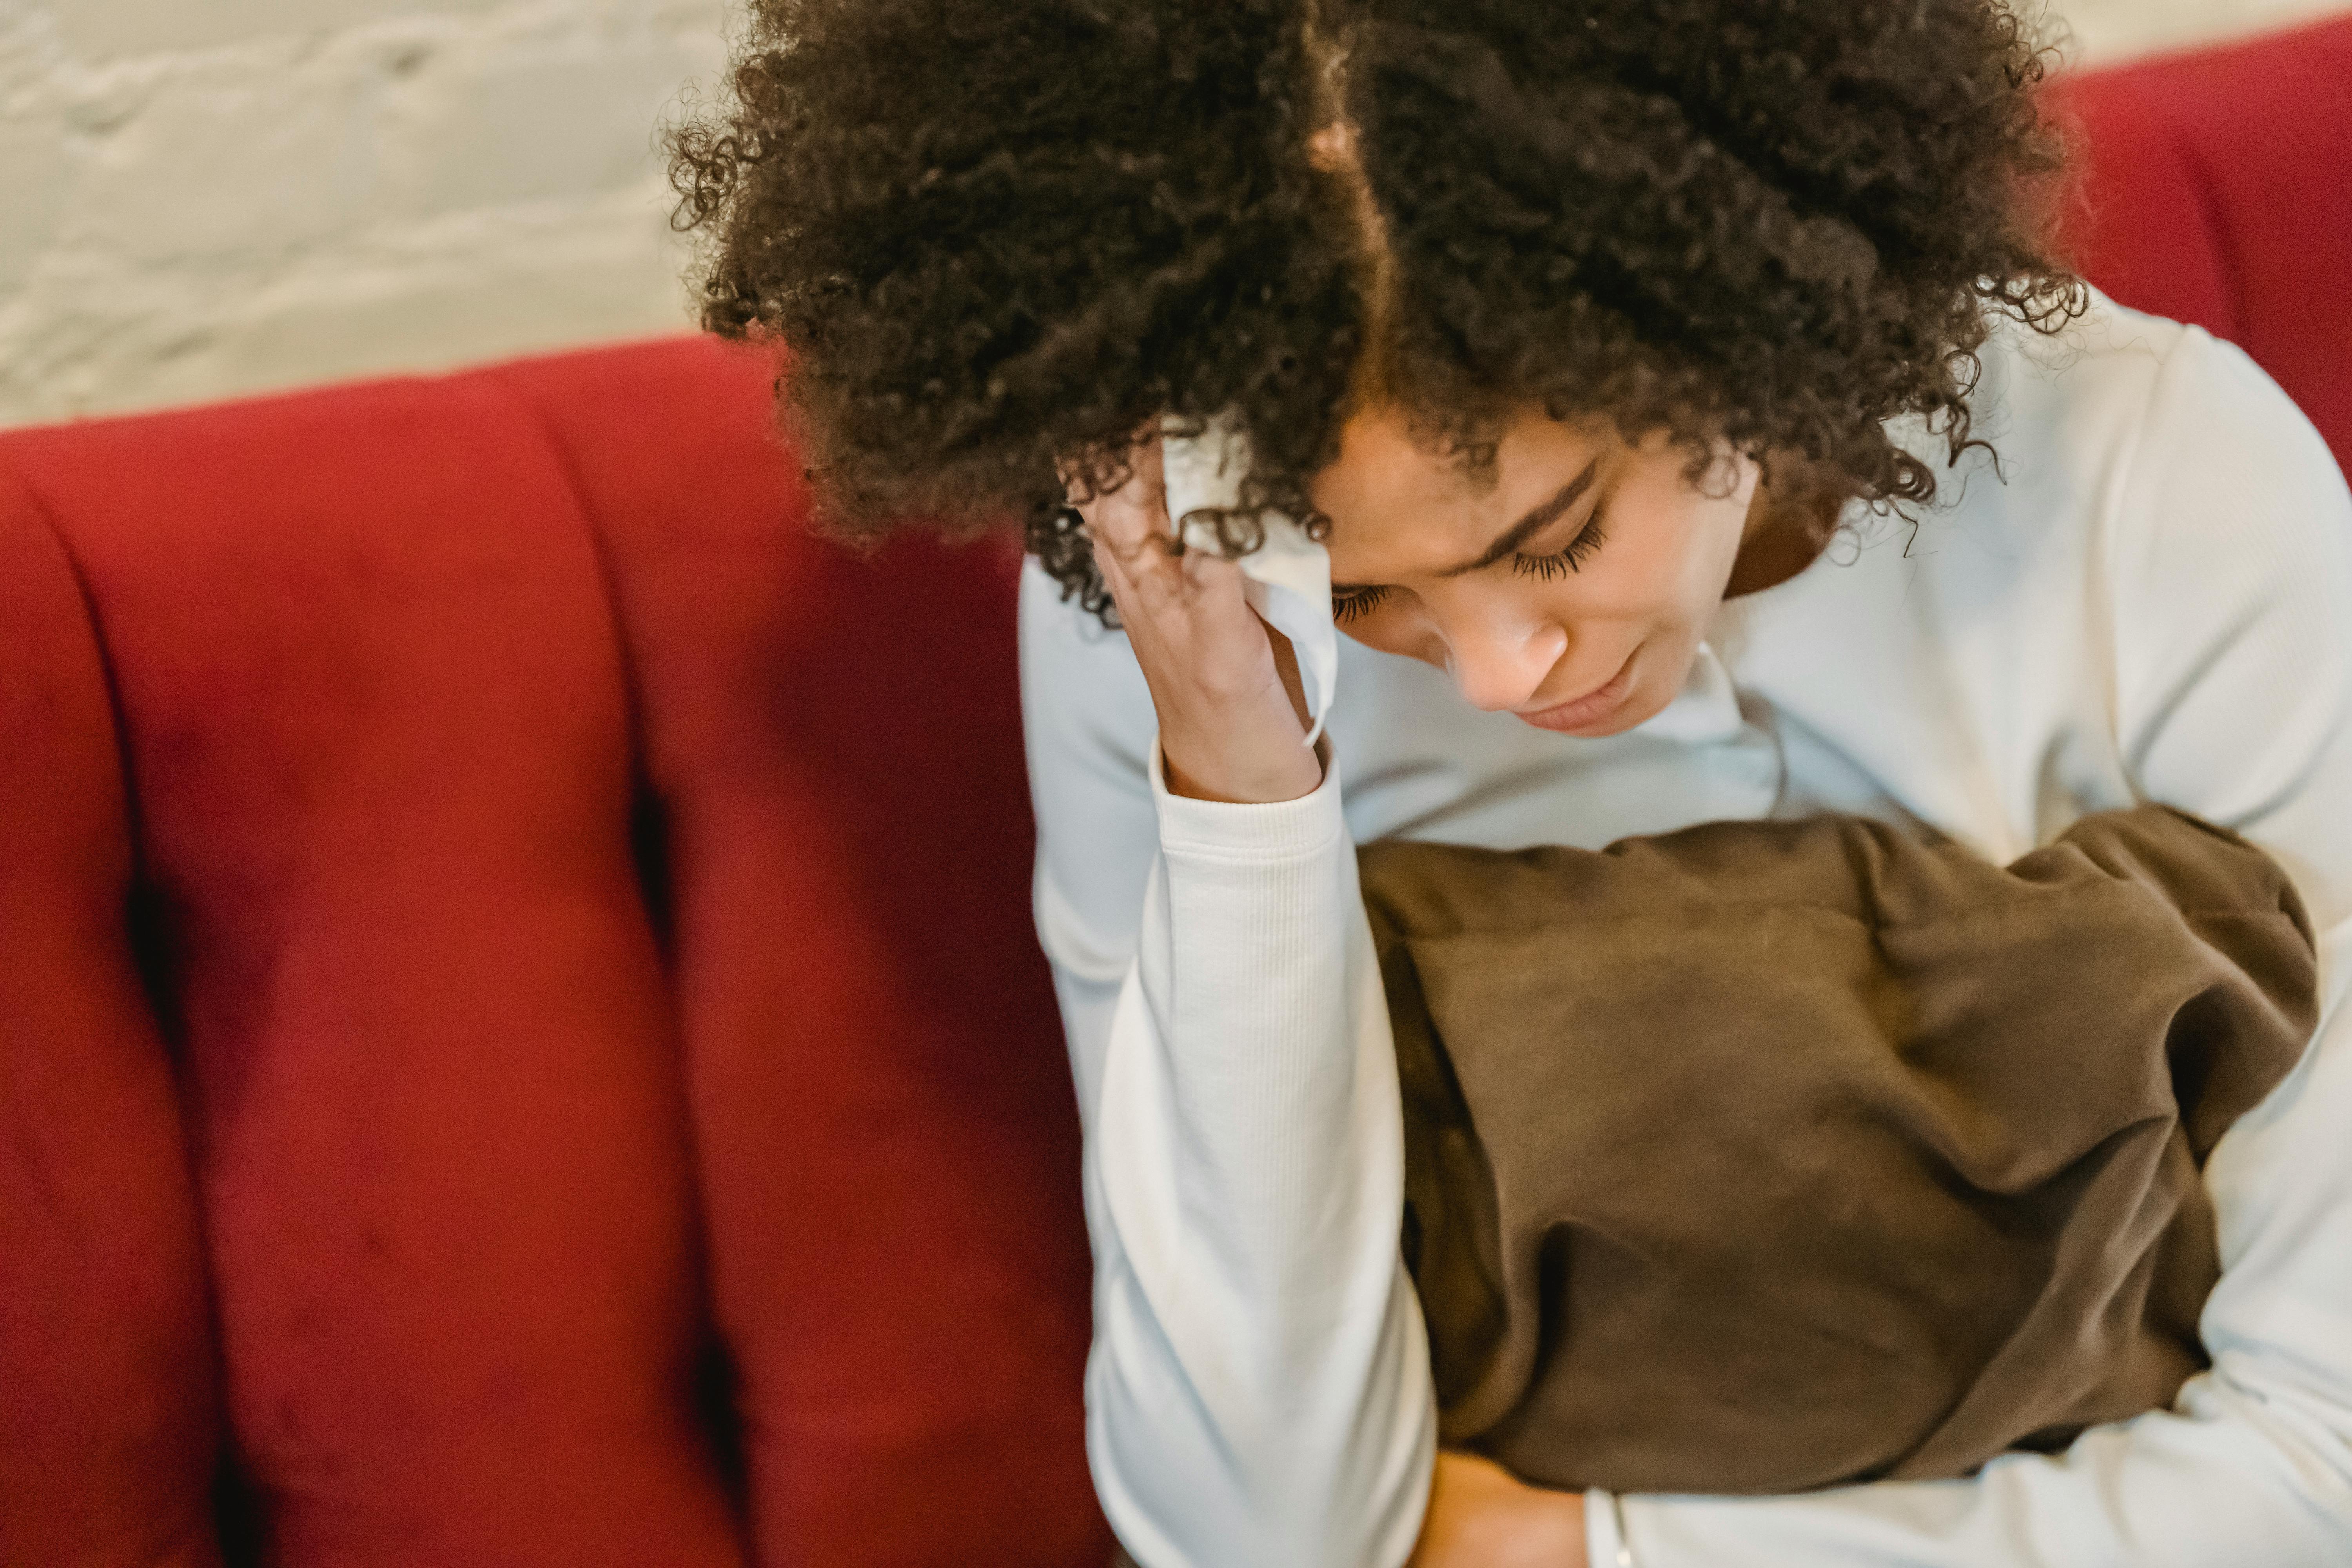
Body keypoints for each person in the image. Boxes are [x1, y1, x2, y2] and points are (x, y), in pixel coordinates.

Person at [666, 2, 2352, 1563]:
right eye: (1369, 595)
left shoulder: (2161, 490)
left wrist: (1589, 1553)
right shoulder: (1187, 613)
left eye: (1555, 535)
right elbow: (1255, 1530)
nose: (1494, 673)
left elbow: (2326, 1447)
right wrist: (1242, 793)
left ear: (1730, 307)